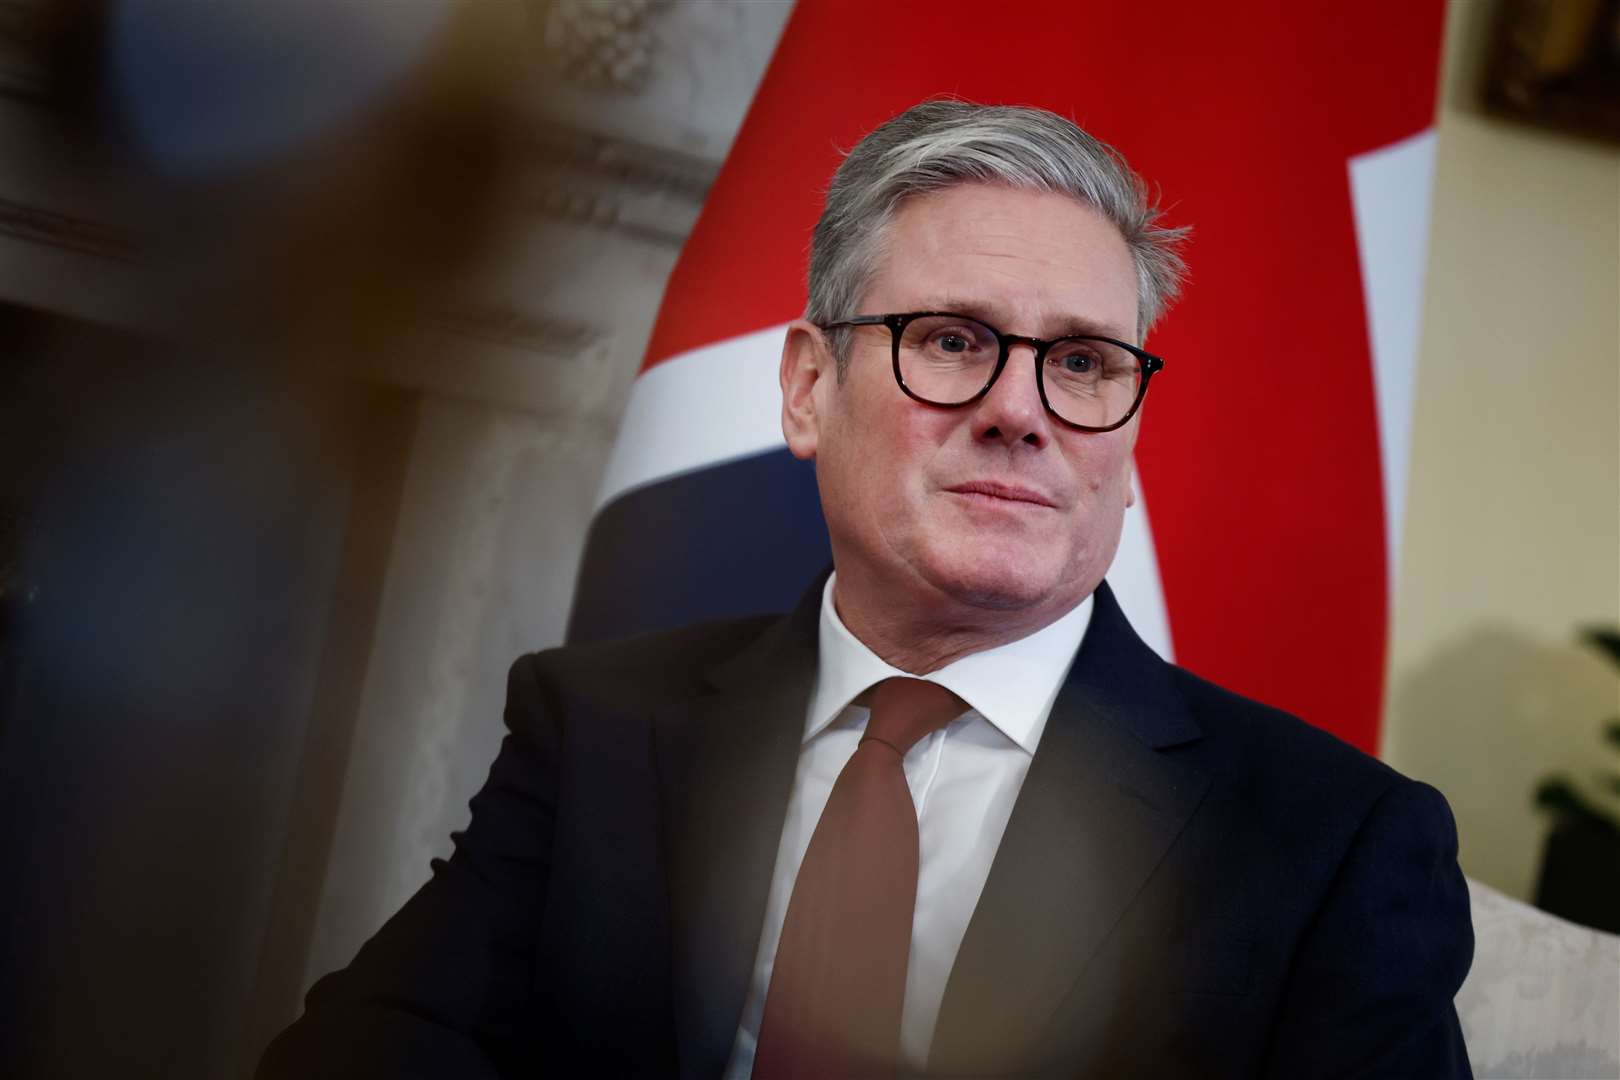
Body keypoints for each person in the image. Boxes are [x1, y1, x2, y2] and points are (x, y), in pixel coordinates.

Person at [260, 99, 1474, 1079]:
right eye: (952, 339)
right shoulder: (599, 731)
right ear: (805, 388)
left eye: (1085, 364)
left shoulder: (1332, 847)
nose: (1019, 412)